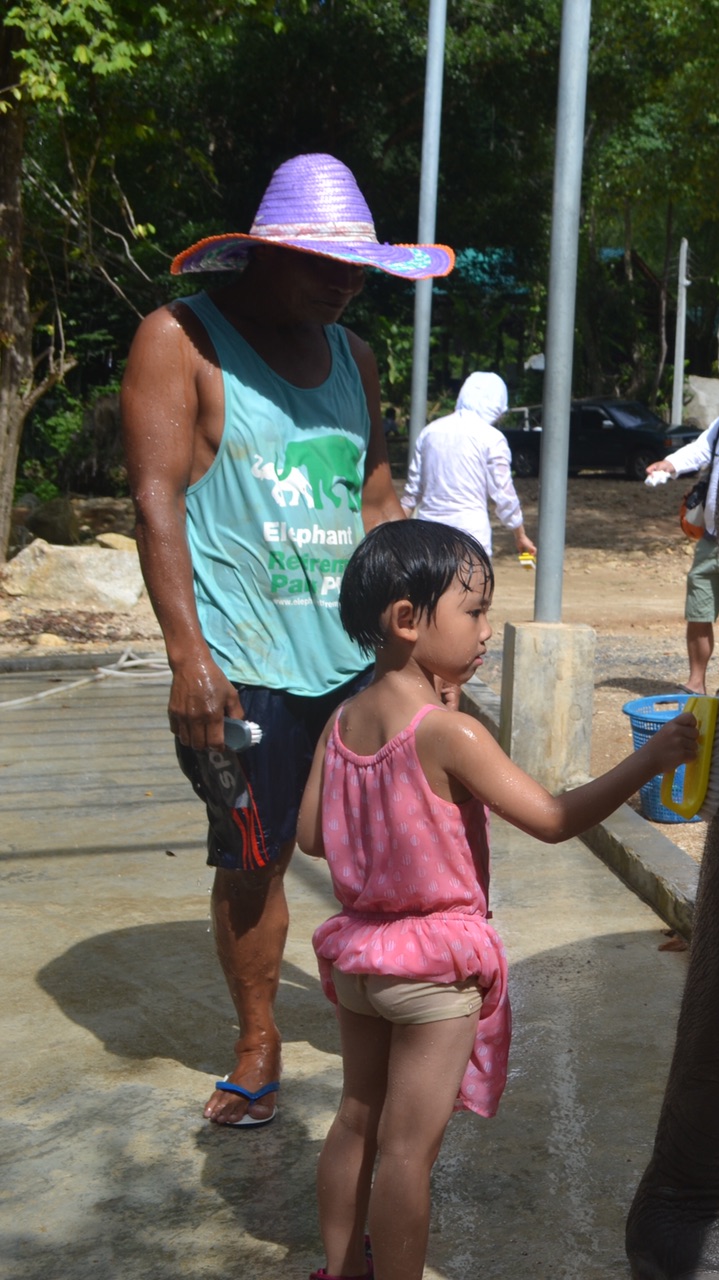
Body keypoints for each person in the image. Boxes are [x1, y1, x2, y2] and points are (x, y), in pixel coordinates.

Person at [121, 153, 453, 1128]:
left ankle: (377, 1015)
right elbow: (156, 501)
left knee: (392, 849)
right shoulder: (181, 340)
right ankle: (258, 1034)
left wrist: (421, 647)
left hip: (356, 664)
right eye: (321, 261)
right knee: (255, 856)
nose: (345, 280)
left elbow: (376, 500)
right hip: (245, 668)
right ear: (262, 254)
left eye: (356, 267)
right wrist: (189, 656)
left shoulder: (353, 357)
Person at [297, 518, 698, 1280]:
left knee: (357, 1119)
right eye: (474, 612)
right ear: (408, 621)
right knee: (409, 1153)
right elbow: (551, 819)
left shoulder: (339, 722)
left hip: (358, 958)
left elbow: (314, 836)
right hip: (433, 968)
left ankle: (343, 1271)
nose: (487, 630)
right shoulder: (451, 734)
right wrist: (648, 761)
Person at [645, 371, 719, 694]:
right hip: (711, 540)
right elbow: (697, 451)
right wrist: (668, 465)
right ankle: (696, 681)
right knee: (698, 613)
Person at [400, 370, 537, 559]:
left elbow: (411, 495)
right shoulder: (492, 438)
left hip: (427, 540)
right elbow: (504, 495)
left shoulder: (429, 432)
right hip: (471, 539)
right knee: (469, 588)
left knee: (429, 589)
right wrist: (520, 535)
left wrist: (392, 534)